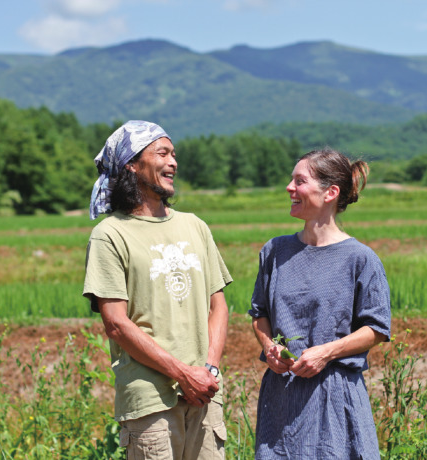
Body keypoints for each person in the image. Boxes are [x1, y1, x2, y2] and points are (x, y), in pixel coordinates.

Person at [83, 120, 232, 459]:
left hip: (206, 394)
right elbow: (116, 324)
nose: (173, 162)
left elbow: (218, 307)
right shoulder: (111, 235)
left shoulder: (195, 226)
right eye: (162, 153)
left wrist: (207, 370)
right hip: (150, 401)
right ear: (131, 166)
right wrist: (182, 373)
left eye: (174, 154)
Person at [248, 148, 391, 459]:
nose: (289, 188)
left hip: (334, 396)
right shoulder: (274, 252)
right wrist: (270, 347)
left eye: (299, 181)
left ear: (331, 193)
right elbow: (260, 314)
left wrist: (326, 352)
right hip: (281, 399)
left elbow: (377, 328)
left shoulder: (361, 259)